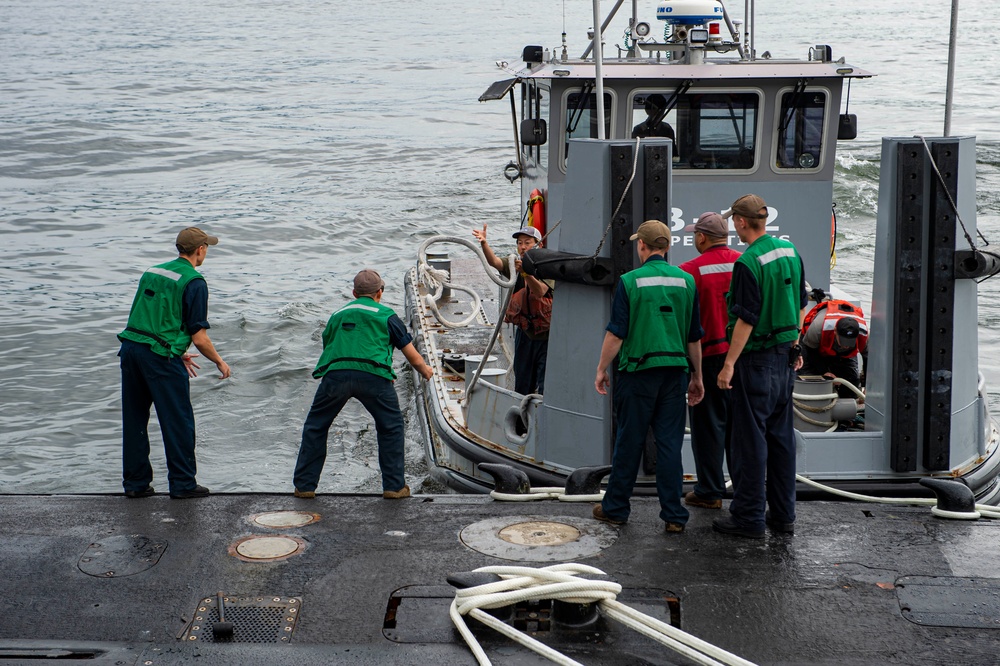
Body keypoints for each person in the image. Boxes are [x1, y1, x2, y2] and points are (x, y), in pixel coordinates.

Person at [593, 220, 705, 533]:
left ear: (642, 245)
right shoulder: (686, 282)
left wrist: (601, 368)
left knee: (629, 442)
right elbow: (693, 336)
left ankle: (615, 508)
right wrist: (697, 376)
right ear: (667, 247)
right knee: (669, 444)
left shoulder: (630, 282)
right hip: (675, 374)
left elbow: (617, 334)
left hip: (638, 374)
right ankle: (673, 516)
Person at [292, 269, 434, 499]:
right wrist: (426, 371)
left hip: (336, 375)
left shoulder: (338, 314)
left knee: (316, 426)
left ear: (354, 292)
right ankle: (394, 487)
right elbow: (411, 353)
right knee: (391, 426)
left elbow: (328, 343)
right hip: (373, 376)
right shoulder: (387, 315)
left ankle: (305, 487)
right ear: (380, 292)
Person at [714, 195, 808, 538]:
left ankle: (749, 518)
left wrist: (728, 365)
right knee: (782, 441)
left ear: (740, 222)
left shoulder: (749, 262)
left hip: (756, 363)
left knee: (750, 443)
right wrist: (795, 344)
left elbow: (746, 320)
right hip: (785, 360)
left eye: (733, 221)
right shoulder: (790, 252)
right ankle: (784, 516)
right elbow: (801, 303)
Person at [118, 226, 231, 500]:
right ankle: (182, 484)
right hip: (160, 359)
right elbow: (199, 337)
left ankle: (135, 484)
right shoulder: (195, 281)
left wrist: (178, 350)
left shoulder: (153, 271)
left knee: (134, 420)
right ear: (200, 250)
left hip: (132, 350)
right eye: (206, 248)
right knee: (177, 421)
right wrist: (219, 361)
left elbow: (150, 317)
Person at [679, 212, 742, 510]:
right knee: (742, 428)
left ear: (702, 237)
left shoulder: (690, 271)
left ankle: (710, 491)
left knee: (708, 427)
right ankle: (745, 491)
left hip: (711, 357)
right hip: (745, 356)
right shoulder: (746, 262)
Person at [472, 224, 553, 395]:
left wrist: (525, 273)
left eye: (528, 243)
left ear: (538, 245)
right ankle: (521, 418)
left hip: (546, 337)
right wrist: (484, 243)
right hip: (524, 334)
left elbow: (540, 291)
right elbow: (493, 262)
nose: (523, 247)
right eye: (520, 243)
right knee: (522, 382)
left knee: (545, 383)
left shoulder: (547, 266)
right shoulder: (514, 264)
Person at [799, 299, 868, 398]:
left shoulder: (864, 335)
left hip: (842, 354)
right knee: (809, 374)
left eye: (849, 343)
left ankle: (846, 406)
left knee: (852, 378)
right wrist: (824, 371)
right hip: (813, 345)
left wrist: (867, 386)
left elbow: (868, 359)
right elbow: (810, 351)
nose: (846, 346)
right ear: (835, 331)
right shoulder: (818, 327)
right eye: (844, 342)